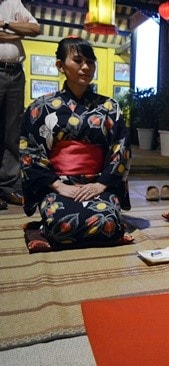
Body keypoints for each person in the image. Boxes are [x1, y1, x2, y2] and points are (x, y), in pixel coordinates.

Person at [19, 37, 131, 248]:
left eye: (91, 61)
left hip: (97, 184)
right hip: (58, 184)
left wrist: (100, 184)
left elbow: (121, 150)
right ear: (60, 66)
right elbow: (30, 153)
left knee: (108, 223)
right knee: (62, 225)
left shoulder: (109, 107)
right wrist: (59, 186)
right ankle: (49, 222)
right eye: (78, 61)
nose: (86, 67)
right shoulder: (40, 108)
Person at [0, 0, 40, 210]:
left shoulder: (12, 3)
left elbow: (34, 28)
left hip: (16, 72)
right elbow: (22, 32)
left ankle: (6, 188)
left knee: (12, 132)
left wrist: (5, 25)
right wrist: (17, 31)